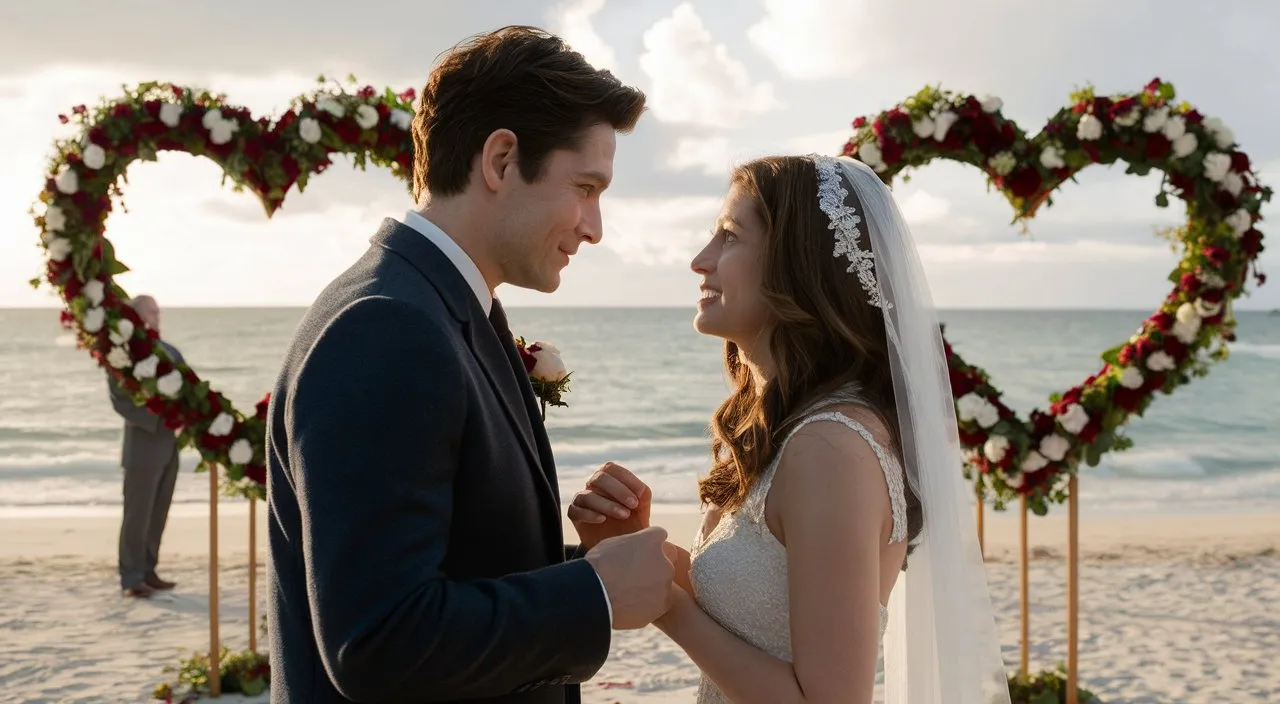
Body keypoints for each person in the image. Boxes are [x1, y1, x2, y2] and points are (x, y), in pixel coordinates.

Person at [265, 26, 673, 704]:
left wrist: (589, 564)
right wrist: (594, 595)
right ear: (502, 159)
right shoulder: (386, 328)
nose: (595, 226)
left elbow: (447, 572)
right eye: (585, 186)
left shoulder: (444, 307)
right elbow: (378, 639)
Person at [569, 155, 1012, 703]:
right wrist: (640, 551)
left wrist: (669, 605)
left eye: (729, 237)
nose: (699, 260)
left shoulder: (831, 449)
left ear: (797, 265)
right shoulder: (790, 429)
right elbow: (749, 626)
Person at [108, 294, 182, 599]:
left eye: (158, 309)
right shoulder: (122, 353)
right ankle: (131, 576)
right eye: (150, 310)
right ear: (136, 317)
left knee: (159, 512)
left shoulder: (170, 351)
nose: (157, 314)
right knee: (137, 514)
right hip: (142, 446)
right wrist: (159, 418)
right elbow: (121, 401)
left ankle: (149, 570)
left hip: (169, 446)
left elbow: (188, 389)